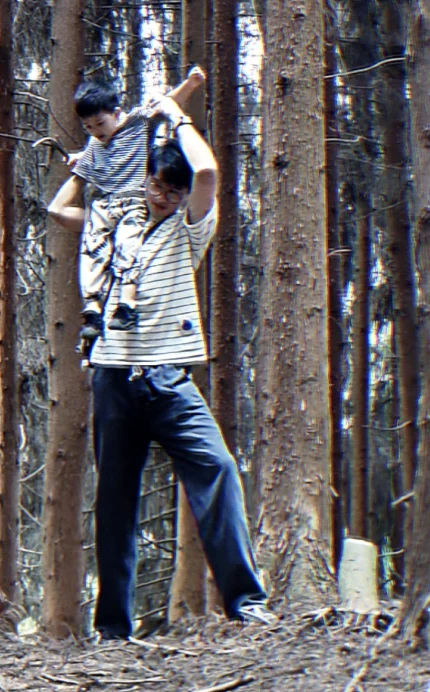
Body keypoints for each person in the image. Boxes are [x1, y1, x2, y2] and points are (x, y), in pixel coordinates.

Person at [49, 96, 271, 638]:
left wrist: (177, 116)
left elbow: (210, 172)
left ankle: (246, 602)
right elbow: (59, 210)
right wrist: (82, 170)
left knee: (216, 468)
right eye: (156, 186)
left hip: (169, 378)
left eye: (173, 191)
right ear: (145, 178)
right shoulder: (114, 216)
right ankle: (112, 628)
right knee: (115, 501)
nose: (163, 198)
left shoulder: (187, 229)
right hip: (113, 378)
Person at [50, 68, 205, 357]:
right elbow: (62, 200)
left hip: (133, 201)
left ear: (117, 113)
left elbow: (166, 104)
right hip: (105, 205)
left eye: (100, 123)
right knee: (93, 249)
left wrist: (190, 85)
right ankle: (93, 309)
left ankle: (127, 303)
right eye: (89, 128)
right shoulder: (96, 145)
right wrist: (78, 163)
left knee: (128, 245)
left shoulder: (135, 124)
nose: (96, 132)